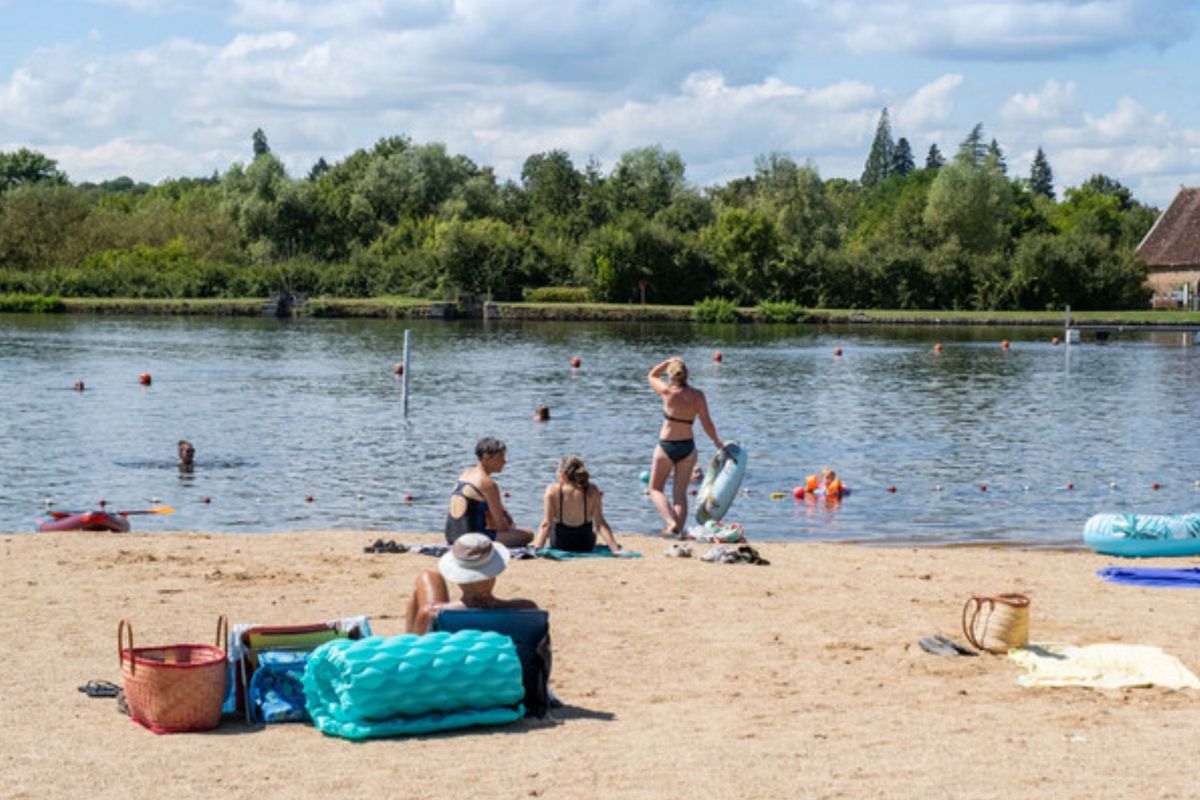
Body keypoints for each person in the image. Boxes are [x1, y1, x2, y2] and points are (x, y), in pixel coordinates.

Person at [647, 357, 723, 535]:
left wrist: (667, 362)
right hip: (688, 447)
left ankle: (670, 522)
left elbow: (652, 375)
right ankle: (678, 531)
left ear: (671, 375)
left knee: (655, 489)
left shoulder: (667, 391)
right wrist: (716, 442)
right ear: (686, 374)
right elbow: (706, 422)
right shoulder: (698, 396)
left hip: (666, 445)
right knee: (680, 494)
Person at [405, 533, 538, 635]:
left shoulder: (432, 613)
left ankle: (407, 641)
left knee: (427, 578)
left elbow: (422, 655)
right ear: (494, 574)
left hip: (450, 662)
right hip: (510, 664)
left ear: (458, 579)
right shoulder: (527, 609)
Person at [445, 437, 533, 548]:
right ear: (487, 457)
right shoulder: (487, 483)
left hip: (451, 537)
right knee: (528, 535)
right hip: (470, 540)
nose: (505, 461)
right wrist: (511, 527)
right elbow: (501, 525)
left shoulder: (466, 473)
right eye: (501, 457)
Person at [533, 455, 621, 553]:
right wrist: (615, 550)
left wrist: (537, 549)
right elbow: (601, 524)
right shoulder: (592, 490)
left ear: (562, 474)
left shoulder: (552, 490)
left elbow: (546, 525)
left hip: (560, 544)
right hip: (585, 545)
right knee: (592, 528)